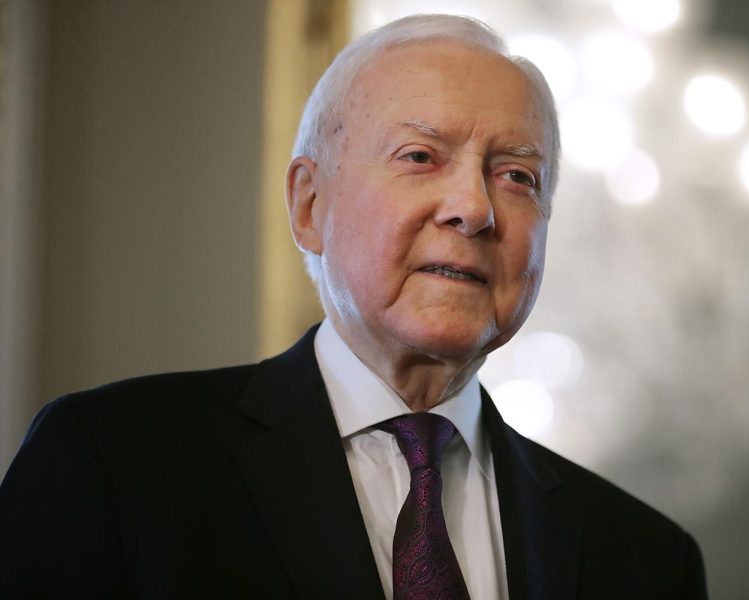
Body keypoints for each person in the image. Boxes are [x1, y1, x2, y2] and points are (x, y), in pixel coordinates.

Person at [0, 14, 707, 599]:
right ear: (310, 205)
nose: (472, 209)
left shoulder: (647, 561)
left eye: (516, 175)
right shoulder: (114, 468)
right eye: (420, 157)